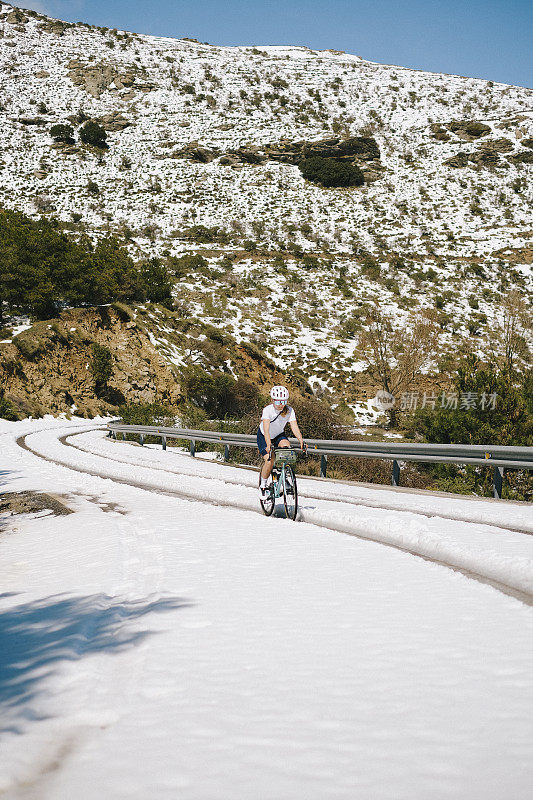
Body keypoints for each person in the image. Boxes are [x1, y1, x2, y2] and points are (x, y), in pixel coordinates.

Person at [257, 386, 306, 497]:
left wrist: (301, 441)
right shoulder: (267, 410)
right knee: (269, 461)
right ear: (273, 400)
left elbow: (294, 426)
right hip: (264, 436)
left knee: (286, 450)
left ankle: (283, 478)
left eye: (283, 401)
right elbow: (266, 429)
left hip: (279, 434)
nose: (281, 404)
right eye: (278, 401)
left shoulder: (289, 410)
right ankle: (263, 486)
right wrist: (268, 444)